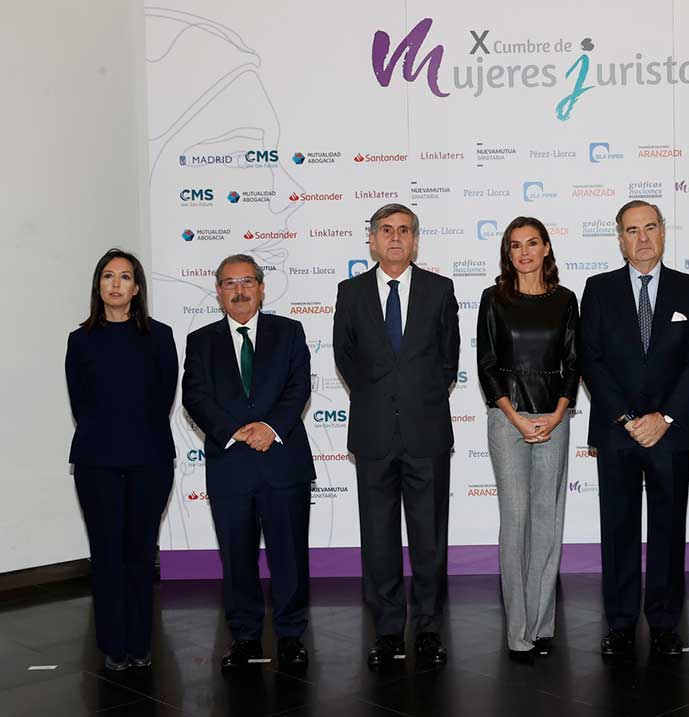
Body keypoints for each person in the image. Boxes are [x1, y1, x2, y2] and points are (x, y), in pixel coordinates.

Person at [578, 200, 689, 658]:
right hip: (619, 432)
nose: (642, 238)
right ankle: (618, 623)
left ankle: (664, 622)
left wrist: (665, 418)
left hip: (669, 432)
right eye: (631, 230)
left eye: (650, 228)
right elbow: (590, 360)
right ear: (619, 238)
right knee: (617, 530)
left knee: (668, 531)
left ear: (663, 232)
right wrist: (628, 418)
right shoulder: (597, 290)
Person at [333, 203, 460, 667]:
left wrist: (415, 397)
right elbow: (346, 358)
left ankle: (428, 628)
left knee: (428, 539)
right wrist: (377, 398)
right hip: (373, 435)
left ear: (415, 240)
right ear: (371, 239)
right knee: (379, 538)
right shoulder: (350, 293)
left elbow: (449, 359)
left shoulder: (439, 289)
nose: (395, 238)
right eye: (386, 230)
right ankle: (388, 631)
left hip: (426, 434)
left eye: (404, 230)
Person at [182, 254, 315, 670]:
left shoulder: (289, 332)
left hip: (282, 460)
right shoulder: (200, 341)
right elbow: (195, 396)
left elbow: (298, 387)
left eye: (246, 282)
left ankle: (291, 635)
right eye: (229, 283)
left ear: (261, 287)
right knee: (237, 557)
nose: (239, 291)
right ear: (218, 291)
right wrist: (235, 430)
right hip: (232, 466)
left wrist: (269, 427)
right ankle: (244, 636)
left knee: (289, 555)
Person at [65, 249, 177, 672]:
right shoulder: (80, 340)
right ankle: (113, 644)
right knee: (107, 552)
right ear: (99, 286)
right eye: (108, 276)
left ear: (136, 287)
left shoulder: (160, 336)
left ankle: (139, 641)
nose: (116, 284)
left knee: (139, 552)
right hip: (97, 462)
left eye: (125, 276)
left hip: (150, 459)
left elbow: (164, 396)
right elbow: (81, 403)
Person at [477, 217, 579, 663]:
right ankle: (517, 630)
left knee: (547, 523)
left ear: (546, 248)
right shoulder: (493, 299)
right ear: (507, 252)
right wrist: (517, 419)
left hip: (554, 420)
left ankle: (541, 626)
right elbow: (487, 364)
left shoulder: (566, 300)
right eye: (515, 245)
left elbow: (574, 365)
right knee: (515, 522)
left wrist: (556, 415)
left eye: (532, 243)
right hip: (507, 421)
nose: (524, 252)